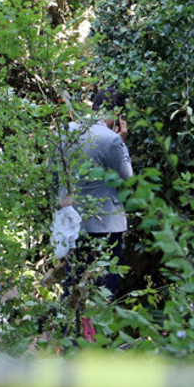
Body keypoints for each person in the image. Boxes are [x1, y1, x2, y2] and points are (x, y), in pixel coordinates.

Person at [64, 88, 133, 299]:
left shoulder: (67, 131)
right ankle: (94, 332)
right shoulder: (110, 140)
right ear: (117, 114)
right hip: (106, 223)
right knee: (103, 290)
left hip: (72, 221)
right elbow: (128, 177)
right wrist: (121, 141)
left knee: (73, 287)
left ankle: (70, 330)